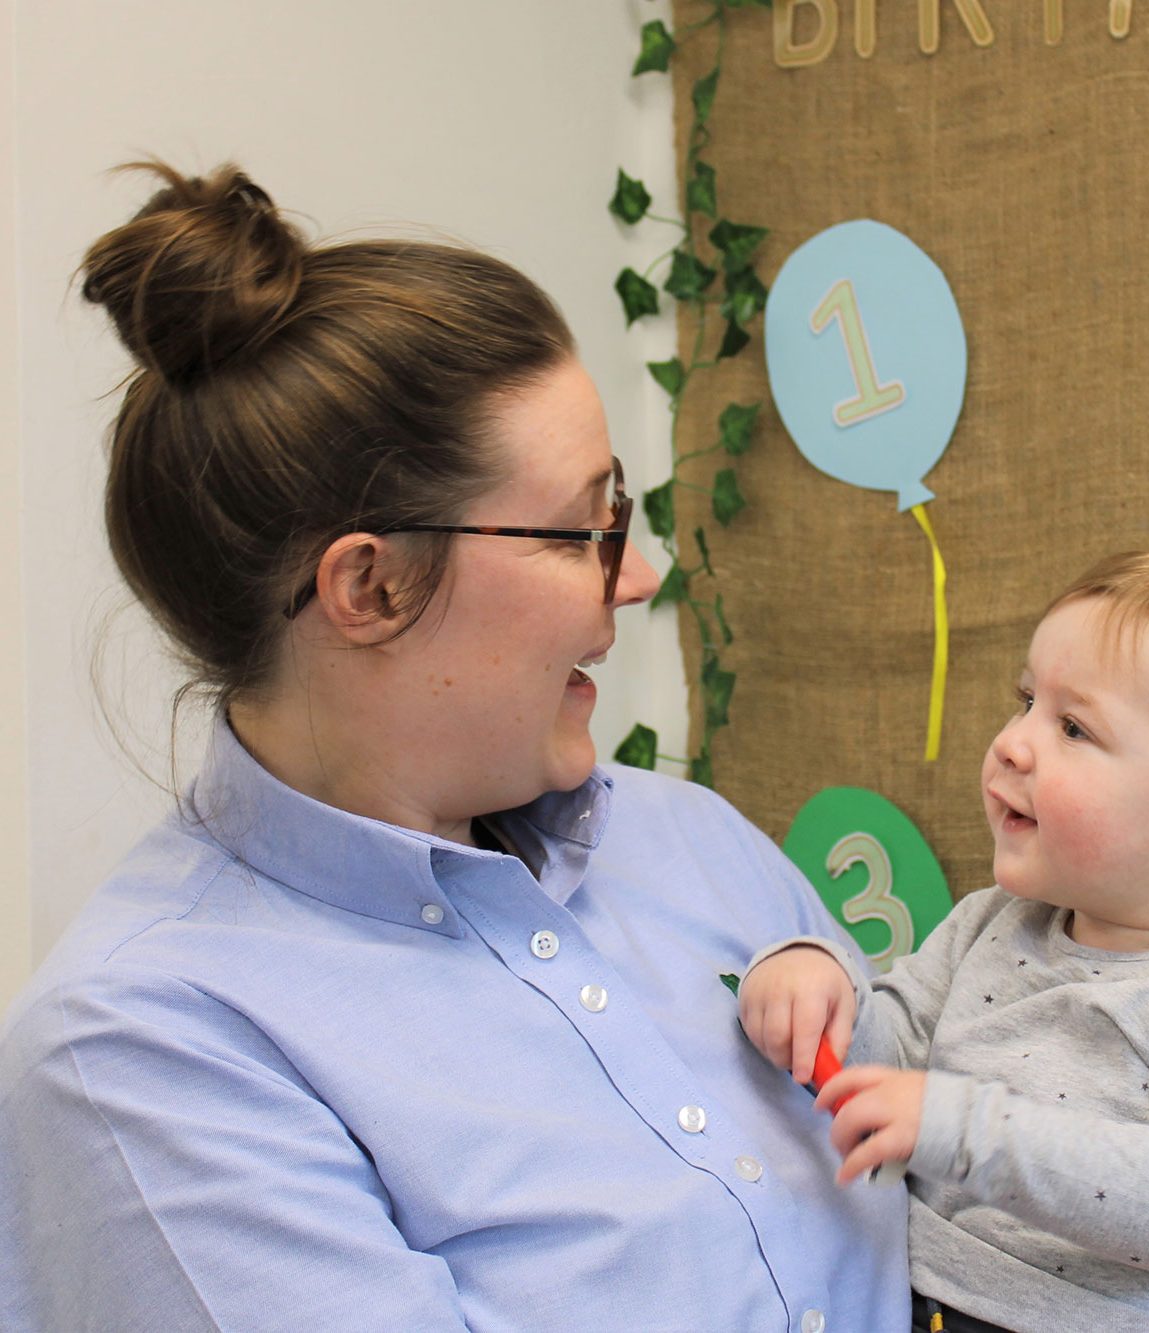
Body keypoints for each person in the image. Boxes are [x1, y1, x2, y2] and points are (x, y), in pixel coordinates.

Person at [0, 163, 908, 1333]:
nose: (640, 574)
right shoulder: (145, 1054)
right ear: (371, 585)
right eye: (588, 527)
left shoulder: (695, 847)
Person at [739, 548, 1149, 1333]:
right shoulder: (991, 923)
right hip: (904, 1298)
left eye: (1074, 726)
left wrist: (965, 1130)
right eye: (1025, 700)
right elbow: (880, 1072)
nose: (1014, 742)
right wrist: (818, 987)